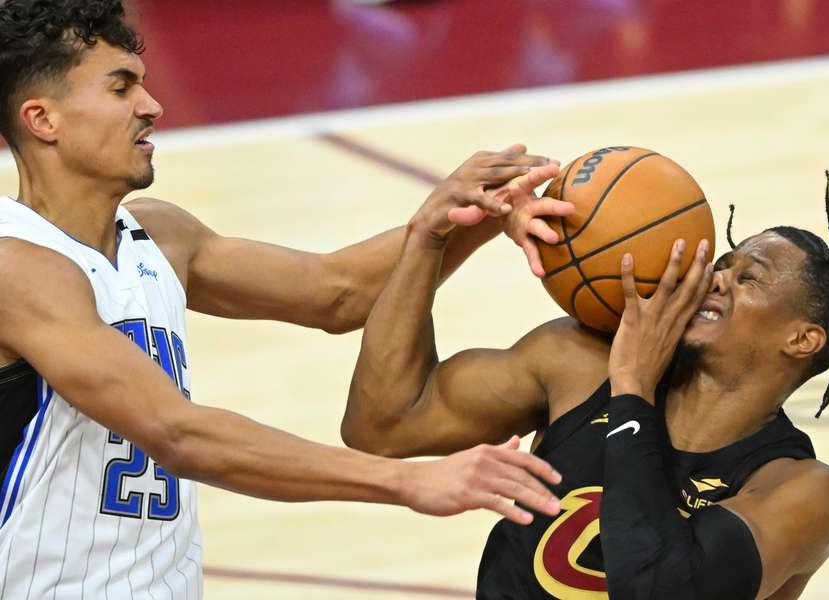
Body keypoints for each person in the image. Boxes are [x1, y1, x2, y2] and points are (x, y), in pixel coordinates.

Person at [0, 1, 575, 597]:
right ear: (44, 120)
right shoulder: (16, 265)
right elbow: (178, 433)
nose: (152, 106)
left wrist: (470, 215)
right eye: (122, 89)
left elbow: (337, 293)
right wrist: (407, 481)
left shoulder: (161, 236)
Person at [343, 162, 829, 598]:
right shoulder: (579, 361)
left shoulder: (801, 492)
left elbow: (657, 588)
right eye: (721, 264)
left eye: (748, 278)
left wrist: (633, 390)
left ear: (801, 339)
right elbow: (383, 424)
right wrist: (427, 241)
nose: (715, 279)